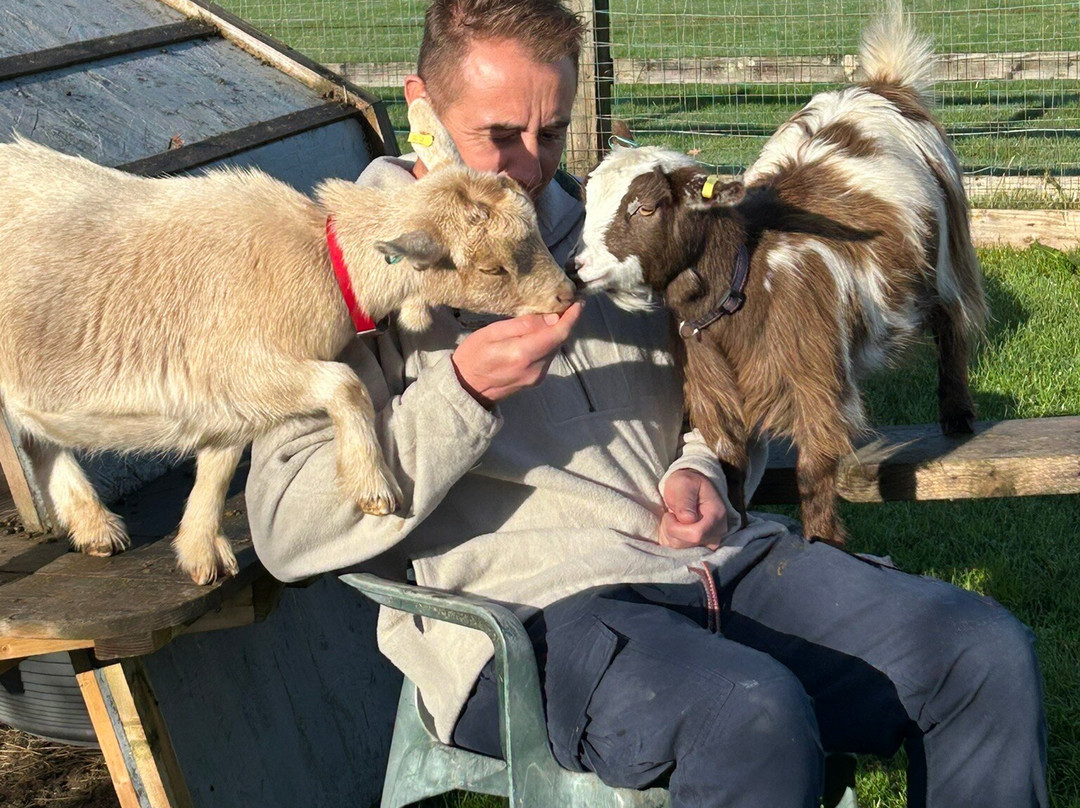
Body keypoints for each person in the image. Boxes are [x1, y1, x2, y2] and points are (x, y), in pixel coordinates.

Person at [246, 1, 1048, 805]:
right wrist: (462, 392)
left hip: (717, 567)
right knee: (751, 719)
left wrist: (702, 467)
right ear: (421, 105)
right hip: (541, 621)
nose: (527, 169)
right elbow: (285, 531)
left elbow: (721, 398)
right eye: (498, 137)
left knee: (981, 653)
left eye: (551, 135)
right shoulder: (351, 269)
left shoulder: (603, 238)